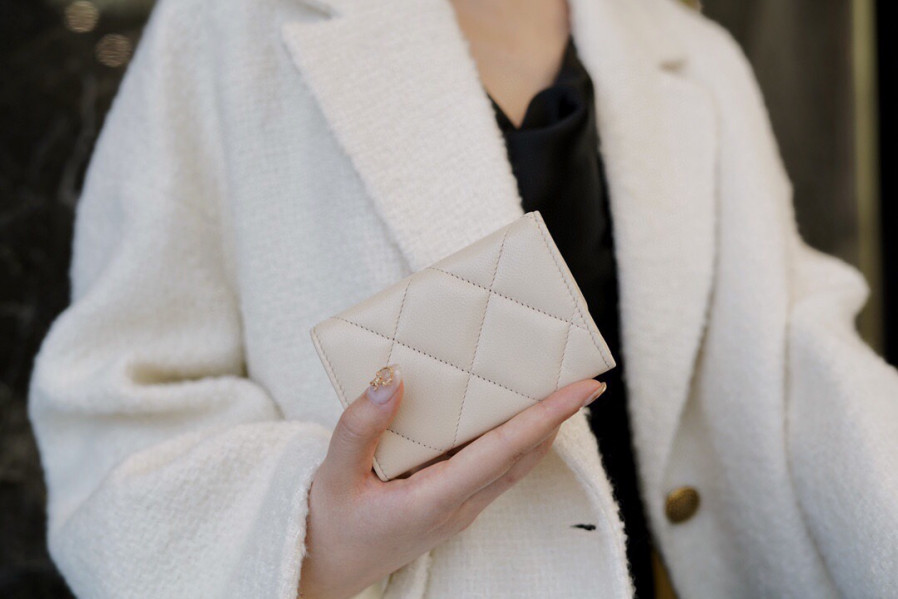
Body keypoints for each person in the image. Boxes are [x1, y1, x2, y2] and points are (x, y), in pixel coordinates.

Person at [27, 0, 898, 598]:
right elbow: (112, 411)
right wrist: (312, 539)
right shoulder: (226, 28)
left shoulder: (692, 53)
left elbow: (800, 359)